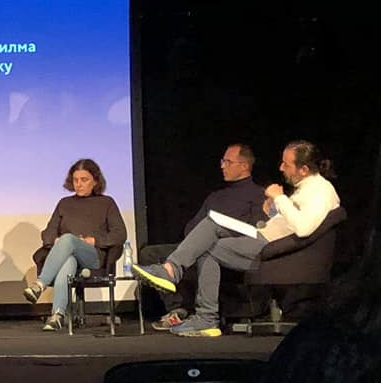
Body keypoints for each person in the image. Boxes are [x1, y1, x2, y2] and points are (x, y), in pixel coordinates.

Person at [222, 211, 381, 383]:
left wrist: (280, 202)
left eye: (287, 166)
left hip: (280, 251)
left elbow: (303, 228)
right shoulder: (325, 346)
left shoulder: (328, 350)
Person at [133, 140, 340, 337]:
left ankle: (184, 287)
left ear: (303, 169)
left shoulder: (320, 191)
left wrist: (280, 198)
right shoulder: (308, 188)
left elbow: (303, 229)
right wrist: (272, 212)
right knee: (211, 227)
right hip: (264, 237)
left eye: (286, 164)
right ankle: (195, 303)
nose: (280, 168)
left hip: (271, 248)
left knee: (211, 231)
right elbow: (291, 223)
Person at [140, 143, 265, 331]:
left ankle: (178, 278)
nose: (222, 166)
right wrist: (197, 240)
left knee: (209, 245)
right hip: (198, 244)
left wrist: (218, 233)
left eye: (228, 162)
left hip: (228, 248)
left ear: (244, 166)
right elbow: (192, 227)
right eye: (222, 161)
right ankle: (178, 308)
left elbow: (255, 230)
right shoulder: (216, 196)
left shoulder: (258, 195)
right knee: (150, 254)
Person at [22, 159, 127, 331]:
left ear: (95, 181)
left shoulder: (107, 203)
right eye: (75, 180)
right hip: (68, 255)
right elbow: (48, 233)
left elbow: (120, 234)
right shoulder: (64, 203)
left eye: (84, 180)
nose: (79, 184)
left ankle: (39, 285)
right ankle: (57, 315)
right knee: (68, 260)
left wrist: (94, 240)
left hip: (93, 257)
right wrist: (55, 241)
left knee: (69, 239)